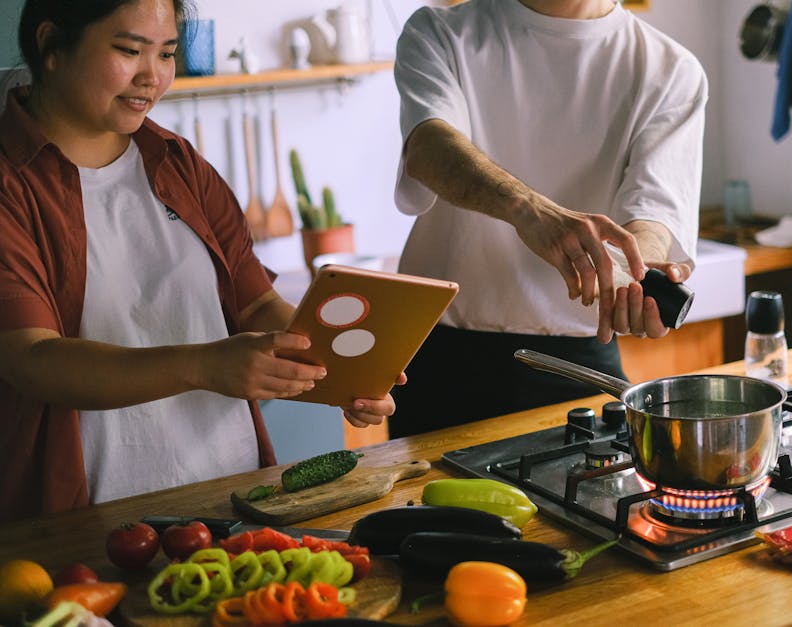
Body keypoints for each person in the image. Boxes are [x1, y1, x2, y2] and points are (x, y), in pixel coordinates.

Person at [0, 0, 400, 523]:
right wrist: (205, 365)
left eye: (166, 53)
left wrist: (347, 373)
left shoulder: (178, 163)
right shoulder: (12, 185)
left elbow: (256, 303)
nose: (153, 76)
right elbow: (33, 361)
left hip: (231, 495)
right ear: (51, 44)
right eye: (129, 50)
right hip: (90, 514)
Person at [389, 0, 707, 438]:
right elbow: (429, 146)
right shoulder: (443, 32)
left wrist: (640, 271)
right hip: (442, 354)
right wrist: (529, 210)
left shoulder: (670, 69)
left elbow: (653, 210)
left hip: (579, 363)